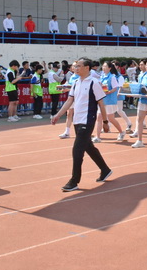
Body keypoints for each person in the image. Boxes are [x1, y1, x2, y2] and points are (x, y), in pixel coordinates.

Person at [50, 58, 112, 192]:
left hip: (87, 120)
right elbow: (69, 101)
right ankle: (105, 169)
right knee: (89, 147)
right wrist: (58, 115)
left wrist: (105, 122)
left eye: (78, 66)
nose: (75, 68)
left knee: (77, 150)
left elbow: (101, 104)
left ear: (87, 68)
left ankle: (74, 181)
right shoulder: (76, 82)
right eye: (75, 66)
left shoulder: (94, 82)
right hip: (77, 120)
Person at [95, 61, 126, 142]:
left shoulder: (112, 77)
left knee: (111, 118)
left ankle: (121, 132)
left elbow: (115, 88)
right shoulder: (102, 77)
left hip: (109, 100)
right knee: (99, 117)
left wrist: (108, 92)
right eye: (103, 66)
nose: (104, 68)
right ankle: (97, 137)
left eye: (105, 66)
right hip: (102, 100)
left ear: (109, 68)